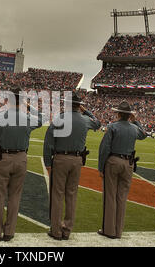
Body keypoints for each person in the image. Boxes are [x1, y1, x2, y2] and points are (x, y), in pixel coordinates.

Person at [0, 88, 44, 242]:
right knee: (15, 196)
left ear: (7, 101)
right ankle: (9, 231)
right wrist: (28, 106)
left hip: (2, 159)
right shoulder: (28, 118)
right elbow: (42, 119)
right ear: (22, 102)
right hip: (21, 159)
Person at [43, 93, 101, 240]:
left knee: (57, 195)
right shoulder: (85, 120)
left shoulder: (59, 118)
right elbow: (98, 122)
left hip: (60, 159)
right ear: (78, 106)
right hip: (77, 160)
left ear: (67, 105)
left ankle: (55, 230)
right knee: (71, 195)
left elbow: (48, 142)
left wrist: (48, 163)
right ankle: (67, 229)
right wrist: (85, 110)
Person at [97, 101, 147, 239]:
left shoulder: (112, 126)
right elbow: (144, 134)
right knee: (122, 197)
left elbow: (105, 148)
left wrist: (101, 167)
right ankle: (118, 231)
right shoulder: (134, 128)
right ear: (129, 115)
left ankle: (109, 230)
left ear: (118, 114)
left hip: (113, 161)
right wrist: (136, 121)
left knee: (110, 196)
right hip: (128, 163)